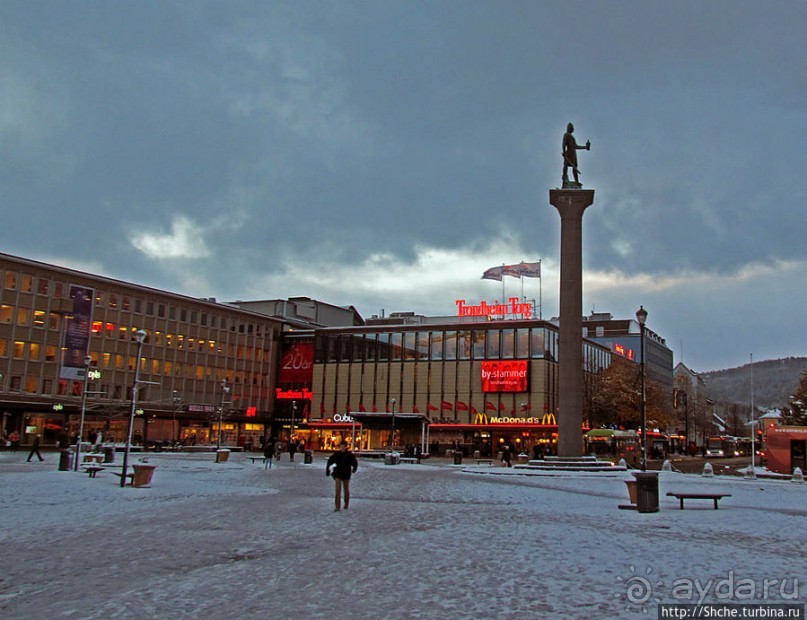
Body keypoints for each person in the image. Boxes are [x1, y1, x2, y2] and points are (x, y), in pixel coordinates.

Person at [326, 441, 358, 512]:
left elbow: (355, 463)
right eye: (341, 446)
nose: (342, 448)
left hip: (346, 474)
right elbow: (330, 461)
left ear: (346, 447)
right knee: (338, 490)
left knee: (346, 490)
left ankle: (346, 504)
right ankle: (337, 506)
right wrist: (327, 470)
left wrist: (354, 469)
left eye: (344, 446)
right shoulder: (337, 454)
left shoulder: (350, 455)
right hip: (338, 474)